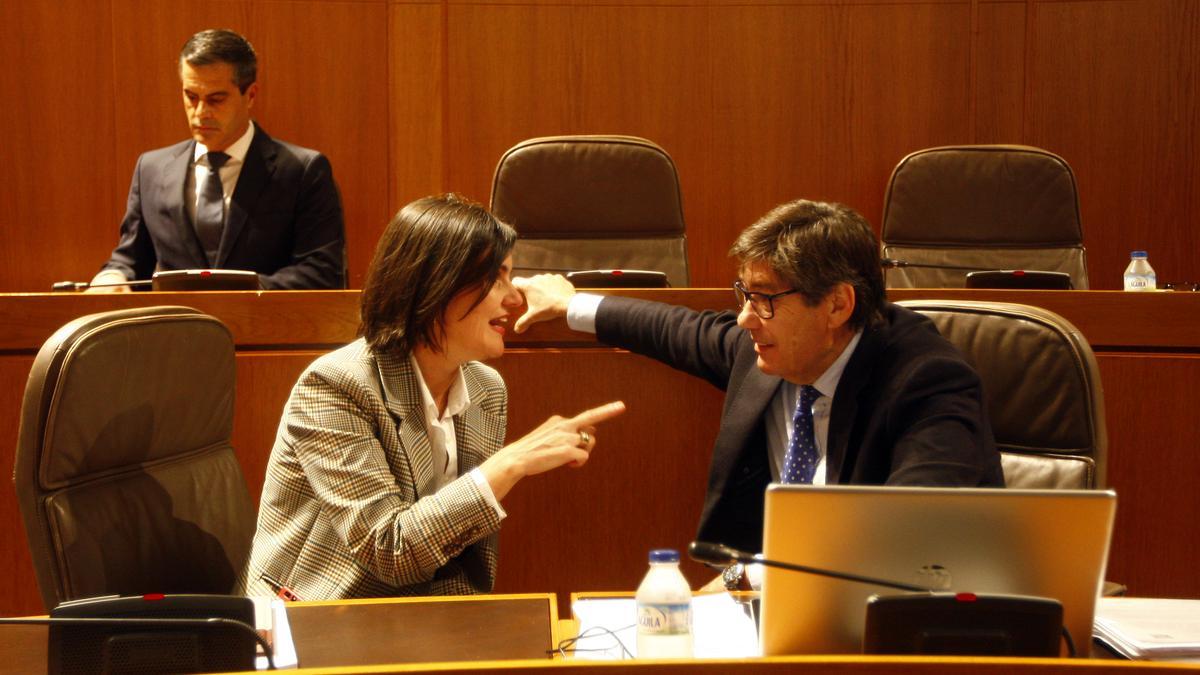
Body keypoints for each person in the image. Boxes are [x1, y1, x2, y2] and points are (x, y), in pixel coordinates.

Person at [514, 199, 1003, 562]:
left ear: (837, 305)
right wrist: (568, 304)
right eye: (744, 294)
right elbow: (676, 329)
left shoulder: (927, 382)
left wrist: (759, 578)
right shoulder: (769, 348)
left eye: (765, 298)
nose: (746, 319)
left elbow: (912, 532)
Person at [240, 194, 624, 599]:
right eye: (495, 278)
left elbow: (459, 550)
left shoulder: (486, 389)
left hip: (417, 621)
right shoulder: (335, 386)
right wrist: (512, 462)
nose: (513, 298)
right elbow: (388, 549)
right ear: (435, 283)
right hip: (311, 624)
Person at [89, 29, 345, 291]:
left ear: (251, 95)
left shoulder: (303, 171)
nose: (201, 112)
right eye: (191, 97)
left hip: (269, 327)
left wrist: (232, 295)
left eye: (216, 99)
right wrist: (111, 279)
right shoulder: (151, 170)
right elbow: (130, 260)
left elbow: (321, 272)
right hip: (174, 329)